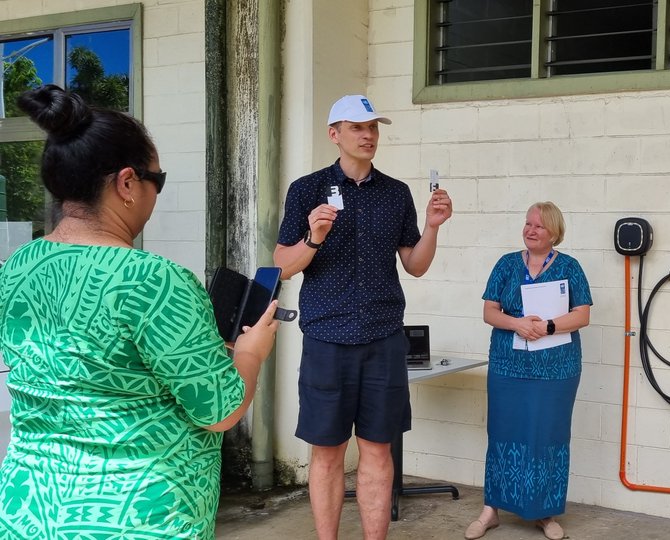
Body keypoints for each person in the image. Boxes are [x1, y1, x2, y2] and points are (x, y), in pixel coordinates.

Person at [0, 85, 279, 539]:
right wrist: (249, 353)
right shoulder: (153, 279)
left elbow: (81, 369)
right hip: (138, 515)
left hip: (29, 509)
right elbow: (220, 411)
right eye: (157, 180)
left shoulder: (16, 267)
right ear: (127, 183)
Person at [273, 94, 453, 540]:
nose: (368, 135)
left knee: (377, 452)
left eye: (373, 127)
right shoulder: (306, 190)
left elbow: (415, 264)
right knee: (328, 454)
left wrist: (432, 227)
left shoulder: (396, 194)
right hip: (327, 340)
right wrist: (313, 238)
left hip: (383, 339)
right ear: (334, 134)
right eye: (357, 127)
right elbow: (282, 263)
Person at [467, 201, 592, 540]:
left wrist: (548, 327)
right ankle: (491, 510)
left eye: (538, 226)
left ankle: (545, 514)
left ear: (554, 232)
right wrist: (517, 324)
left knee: (547, 438)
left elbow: (582, 315)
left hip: (556, 369)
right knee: (503, 434)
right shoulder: (507, 264)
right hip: (509, 365)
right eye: (527, 224)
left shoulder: (570, 267)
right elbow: (489, 311)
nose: (530, 230)